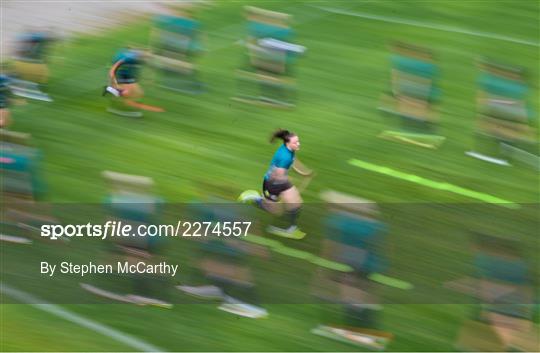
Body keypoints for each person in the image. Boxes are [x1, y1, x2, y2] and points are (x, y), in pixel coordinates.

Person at [239, 129, 309, 239]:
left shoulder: (289, 150)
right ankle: (256, 199)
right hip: (272, 184)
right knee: (275, 211)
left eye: (298, 141)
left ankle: (292, 229)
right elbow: (278, 176)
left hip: (281, 181)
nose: (298, 144)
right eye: (296, 142)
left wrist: (303, 173)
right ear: (288, 143)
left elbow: (293, 161)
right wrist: (292, 184)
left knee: (296, 203)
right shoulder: (284, 157)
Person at [105, 48, 164, 117]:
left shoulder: (139, 59)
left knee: (139, 93)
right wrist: (113, 81)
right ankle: (112, 91)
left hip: (129, 75)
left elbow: (143, 66)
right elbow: (113, 70)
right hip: (122, 74)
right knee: (126, 94)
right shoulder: (128, 58)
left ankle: (130, 108)